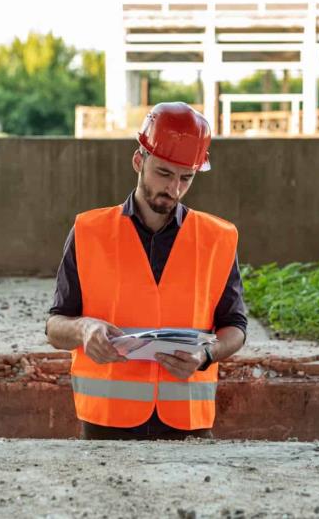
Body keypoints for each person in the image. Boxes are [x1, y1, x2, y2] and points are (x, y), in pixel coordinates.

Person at [46, 102, 247, 440]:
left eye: (186, 178)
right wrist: (84, 329)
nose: (174, 189)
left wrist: (206, 353)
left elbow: (236, 327)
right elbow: (55, 326)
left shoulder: (218, 238)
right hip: (106, 424)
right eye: (164, 173)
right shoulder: (89, 230)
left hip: (189, 424)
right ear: (139, 161)